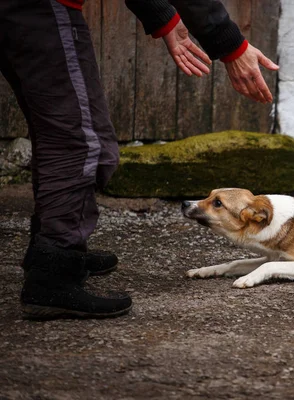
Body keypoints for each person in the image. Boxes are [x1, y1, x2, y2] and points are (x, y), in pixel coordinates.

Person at [0, 0, 279, 319]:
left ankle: (51, 253)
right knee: (80, 144)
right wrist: (229, 44)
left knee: (61, 135)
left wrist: (168, 20)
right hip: (42, 9)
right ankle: (54, 273)